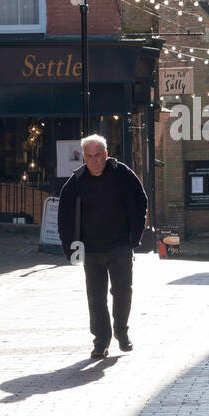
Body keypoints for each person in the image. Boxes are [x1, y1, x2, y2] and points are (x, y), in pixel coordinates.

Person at [57, 134, 148, 360]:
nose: (94, 160)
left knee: (123, 291)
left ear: (106, 155)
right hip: (91, 250)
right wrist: (71, 249)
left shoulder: (122, 174)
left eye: (98, 155)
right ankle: (101, 341)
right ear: (83, 157)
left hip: (120, 246)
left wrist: (134, 237)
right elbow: (64, 216)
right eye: (89, 156)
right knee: (96, 297)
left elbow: (141, 201)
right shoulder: (76, 181)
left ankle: (121, 332)